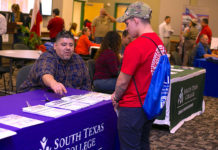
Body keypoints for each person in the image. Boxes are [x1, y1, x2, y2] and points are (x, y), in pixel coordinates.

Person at [113, 2, 166, 149]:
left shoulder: (135, 46)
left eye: (127, 22)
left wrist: (116, 97)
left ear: (135, 20)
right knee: (143, 144)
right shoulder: (159, 43)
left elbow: (123, 82)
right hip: (150, 105)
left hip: (132, 108)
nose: (126, 27)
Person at [18, 31, 91, 95]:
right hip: (33, 96)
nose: (68, 48)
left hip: (64, 99)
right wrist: (53, 83)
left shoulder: (78, 60)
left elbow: (86, 85)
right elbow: (45, 73)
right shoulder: (48, 57)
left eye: (71, 45)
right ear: (55, 46)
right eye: (64, 44)